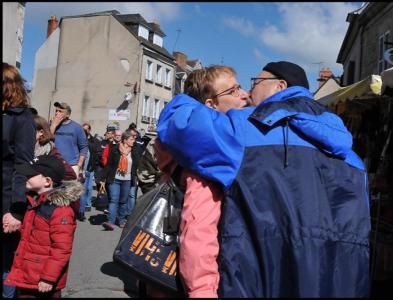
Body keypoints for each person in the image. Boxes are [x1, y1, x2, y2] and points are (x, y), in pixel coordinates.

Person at [157, 61, 371, 297]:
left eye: (255, 82)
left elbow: (181, 125)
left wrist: (192, 99)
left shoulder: (246, 129)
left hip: (257, 282)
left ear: (279, 86)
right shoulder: (355, 161)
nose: (248, 92)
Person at [148, 65, 249, 298]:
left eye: (240, 87)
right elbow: (198, 233)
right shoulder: (206, 159)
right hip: (191, 283)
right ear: (211, 105)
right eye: (233, 91)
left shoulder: (189, 146)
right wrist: (203, 291)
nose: (243, 94)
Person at [4, 155, 84, 298]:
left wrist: (48, 278)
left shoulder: (60, 210)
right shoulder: (34, 202)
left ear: (47, 181)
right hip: (29, 274)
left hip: (43, 280)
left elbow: (62, 249)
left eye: (31, 174)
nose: (26, 176)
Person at [2, 62, 36, 298]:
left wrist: (15, 210)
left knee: (5, 264)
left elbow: (21, 166)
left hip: (5, 200)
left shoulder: (21, 118)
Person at [100, 129, 141, 230]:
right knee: (113, 200)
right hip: (115, 179)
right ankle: (110, 222)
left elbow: (137, 165)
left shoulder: (135, 151)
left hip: (127, 179)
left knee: (123, 201)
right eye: (131, 139)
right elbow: (109, 164)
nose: (133, 141)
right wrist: (102, 178)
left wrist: (137, 177)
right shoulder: (115, 149)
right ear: (125, 140)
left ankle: (121, 220)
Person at [49, 102, 88, 180]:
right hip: (54, 165)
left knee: (70, 191)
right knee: (54, 191)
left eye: (60, 111)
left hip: (71, 165)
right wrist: (53, 126)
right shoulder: (50, 125)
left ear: (68, 115)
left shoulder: (77, 128)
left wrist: (79, 165)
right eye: (56, 111)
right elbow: (46, 142)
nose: (57, 113)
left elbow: (84, 147)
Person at [78, 123, 102, 221]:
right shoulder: (78, 141)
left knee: (87, 189)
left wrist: (94, 166)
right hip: (79, 170)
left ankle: (84, 208)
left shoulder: (94, 141)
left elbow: (97, 155)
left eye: (86, 130)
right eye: (82, 130)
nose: (84, 132)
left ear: (89, 130)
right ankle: (80, 210)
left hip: (89, 169)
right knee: (81, 191)